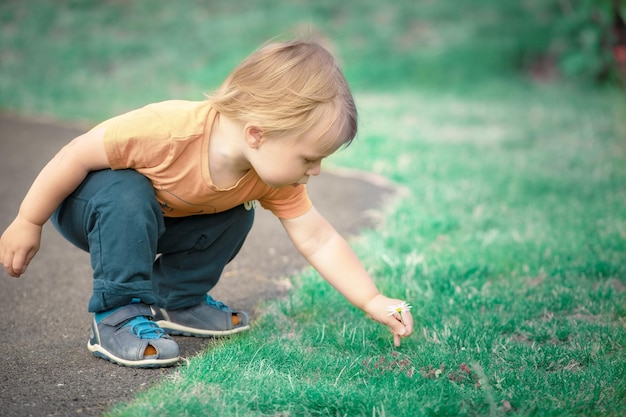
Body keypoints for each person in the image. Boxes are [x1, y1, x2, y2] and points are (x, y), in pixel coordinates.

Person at [0, 40, 414, 368]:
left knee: (237, 212)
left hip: (160, 219)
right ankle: (116, 315)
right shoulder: (166, 131)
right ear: (257, 134)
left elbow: (319, 239)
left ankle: (176, 300)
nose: (317, 170)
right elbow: (74, 155)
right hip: (90, 206)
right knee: (127, 189)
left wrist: (371, 299)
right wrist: (27, 220)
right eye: (309, 157)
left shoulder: (268, 175)